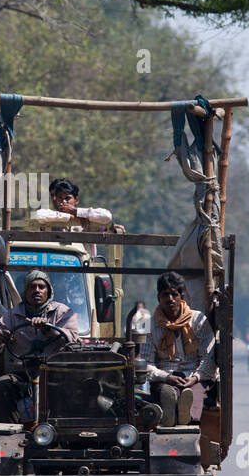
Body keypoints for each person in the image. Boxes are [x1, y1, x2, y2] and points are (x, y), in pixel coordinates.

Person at [0, 270, 81, 422]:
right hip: (22, 373)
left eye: (41, 287)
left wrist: (48, 329)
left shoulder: (61, 312)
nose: (37, 291)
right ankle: (11, 432)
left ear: (49, 291)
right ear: (25, 291)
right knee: (1, 386)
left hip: (55, 372)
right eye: (32, 287)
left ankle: (60, 431)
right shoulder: (12, 315)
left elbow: (73, 339)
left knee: (74, 389)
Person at [137, 271, 216, 427]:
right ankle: (170, 412)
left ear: (182, 297)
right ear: (159, 298)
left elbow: (209, 357)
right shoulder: (147, 324)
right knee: (165, 392)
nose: (170, 299)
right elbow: (145, 362)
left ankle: (185, 417)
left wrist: (194, 378)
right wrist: (167, 377)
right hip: (165, 377)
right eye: (166, 294)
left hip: (193, 375)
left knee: (195, 393)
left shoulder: (198, 320)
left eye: (174, 294)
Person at [31, 178, 125, 233]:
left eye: (67, 198)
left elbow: (106, 216)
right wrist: (71, 218)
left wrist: (76, 212)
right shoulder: (51, 217)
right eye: (60, 198)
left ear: (76, 200)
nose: (63, 202)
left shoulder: (88, 219)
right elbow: (37, 215)